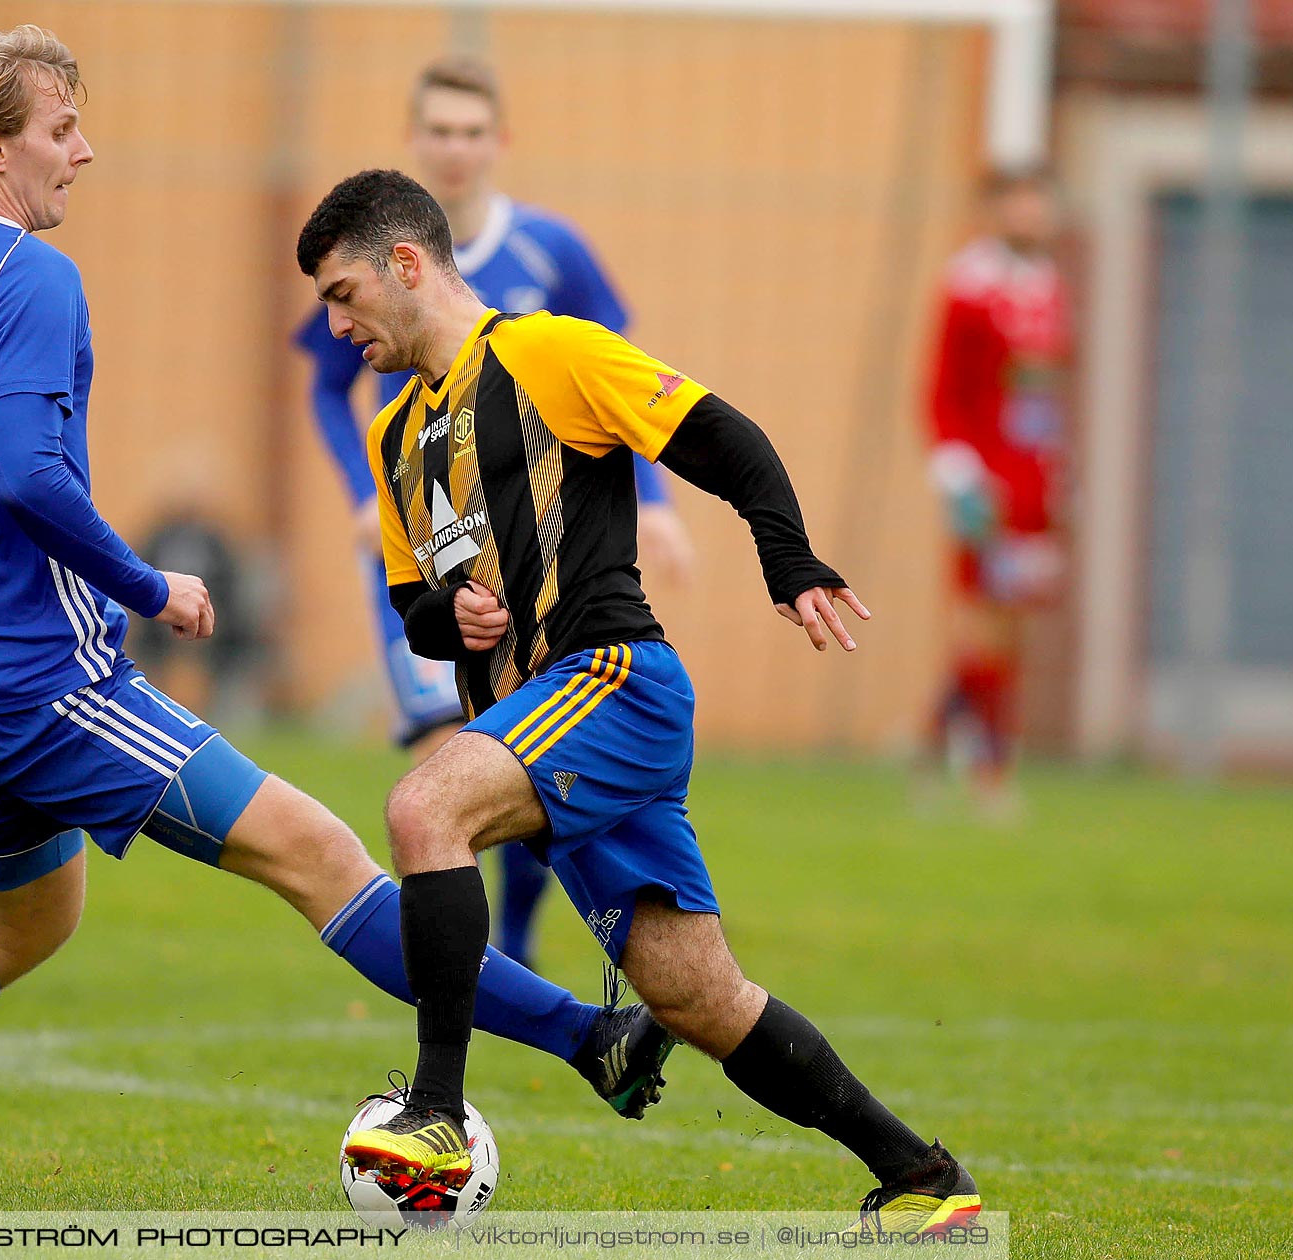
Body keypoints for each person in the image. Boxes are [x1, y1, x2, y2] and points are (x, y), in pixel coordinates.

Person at [0, 23, 676, 1193]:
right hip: (52, 685)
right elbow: (24, 474)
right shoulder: (26, 275)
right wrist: (153, 586)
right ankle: (589, 1038)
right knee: (326, 858)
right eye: (61, 130)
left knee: (15, 932)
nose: (82, 152)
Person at [298, 170, 981, 1236]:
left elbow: (724, 437)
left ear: (406, 264)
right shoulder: (396, 441)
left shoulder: (551, 352)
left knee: (424, 809)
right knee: (700, 1001)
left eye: (342, 294)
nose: (333, 324)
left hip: (613, 684)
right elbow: (413, 611)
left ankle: (432, 1111)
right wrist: (450, 615)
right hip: (550, 727)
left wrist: (789, 563)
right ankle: (925, 1179)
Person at [296, 55, 691, 972]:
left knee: (490, 764)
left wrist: (659, 503)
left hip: (537, 565)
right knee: (453, 765)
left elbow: (626, 382)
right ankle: (491, 986)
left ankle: (508, 954)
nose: (457, 148)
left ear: (500, 142)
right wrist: (364, 499)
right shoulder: (365, 265)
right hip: (433, 549)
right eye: (440, 130)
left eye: (474, 132)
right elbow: (324, 386)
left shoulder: (551, 251)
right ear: (415, 139)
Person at [923, 167, 1070, 816]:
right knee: (980, 623)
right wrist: (959, 475)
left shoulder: (1049, 288)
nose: (1032, 214)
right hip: (984, 483)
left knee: (1010, 629)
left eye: (1041, 202)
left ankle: (934, 750)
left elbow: (1042, 393)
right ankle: (987, 771)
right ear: (995, 209)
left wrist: (1059, 474)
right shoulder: (968, 287)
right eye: (1020, 202)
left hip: (1033, 479)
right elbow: (941, 390)